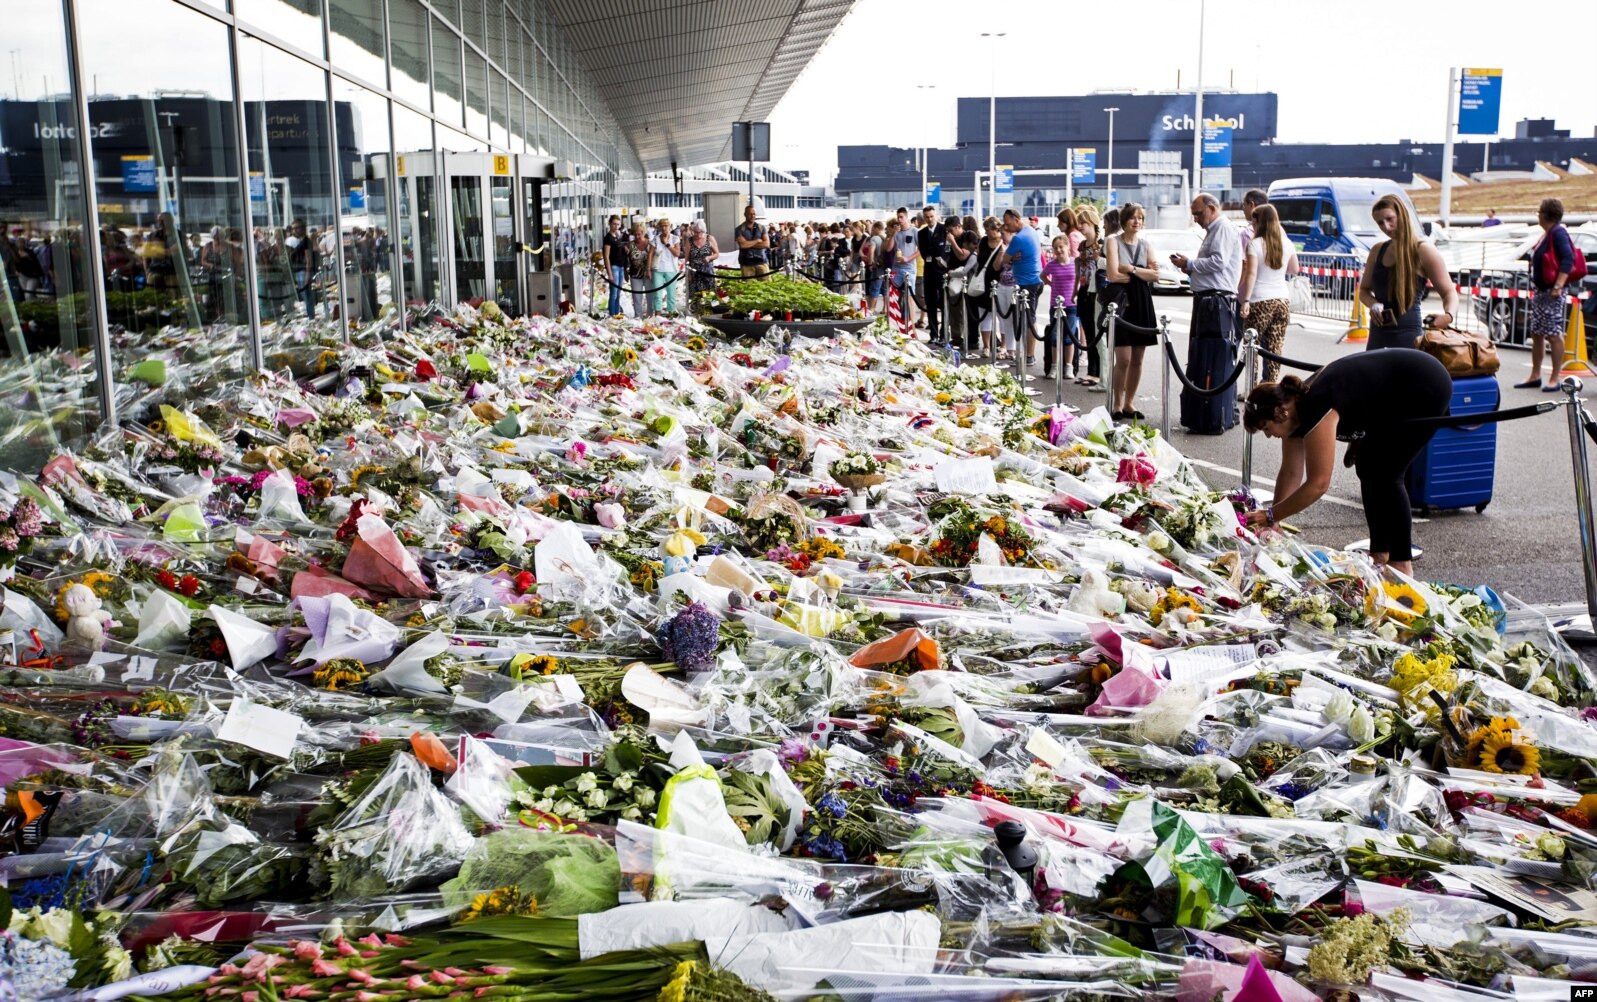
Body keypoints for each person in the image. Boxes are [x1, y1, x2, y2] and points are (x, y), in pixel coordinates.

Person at [1242, 350, 1453, 577]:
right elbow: (1291, 472)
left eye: (1265, 428)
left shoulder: (1316, 407)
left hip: (1422, 384)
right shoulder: (1292, 412)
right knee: (1368, 466)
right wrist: (1274, 521)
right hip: (1393, 391)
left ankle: (1401, 563)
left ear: (1280, 413)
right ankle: (1379, 554)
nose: (1267, 435)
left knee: (1387, 473)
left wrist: (1271, 515)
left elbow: (1318, 483)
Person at [1356, 194, 1458, 351]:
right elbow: (1363, 290)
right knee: (1373, 375)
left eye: (1390, 219)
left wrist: (1448, 316)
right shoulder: (1378, 250)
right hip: (1378, 334)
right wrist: (1373, 304)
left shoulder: (1423, 250)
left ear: (1402, 214)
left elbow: (1449, 291)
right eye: (1380, 223)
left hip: (1408, 336)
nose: (1386, 226)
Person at [1103, 203, 1159, 420]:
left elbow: (1156, 275)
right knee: (1124, 357)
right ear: (1124, 220)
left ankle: (1129, 403)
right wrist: (1141, 275)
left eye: (1141, 218)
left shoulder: (1146, 245)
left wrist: (1132, 269)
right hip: (1122, 302)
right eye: (1133, 217)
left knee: (1138, 357)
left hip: (1142, 302)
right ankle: (1117, 402)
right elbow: (1113, 275)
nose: (1137, 222)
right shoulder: (1113, 241)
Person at [1519, 197, 1579, 391]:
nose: (1538, 215)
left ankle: (1555, 377)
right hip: (1542, 292)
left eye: (1539, 212)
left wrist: (1558, 286)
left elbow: (1568, 258)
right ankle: (1535, 375)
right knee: (1537, 333)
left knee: (1553, 334)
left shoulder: (1558, 233)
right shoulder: (1548, 233)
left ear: (1546, 214)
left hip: (1552, 292)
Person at [1239, 204, 1298, 383]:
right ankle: (1271, 388)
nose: (1252, 225)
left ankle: (1253, 388)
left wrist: (1246, 300)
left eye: (1253, 222)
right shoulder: (1287, 243)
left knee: (1252, 347)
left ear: (1260, 222)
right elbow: (1294, 269)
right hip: (1282, 300)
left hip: (1260, 300)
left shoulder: (1254, 244)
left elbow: (1251, 273)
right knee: (1274, 349)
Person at [1171, 192, 1243, 338]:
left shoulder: (1222, 227)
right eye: (1194, 215)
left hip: (1215, 300)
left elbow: (1219, 261)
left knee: (1210, 350)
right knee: (1203, 350)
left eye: (1198, 214)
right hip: (1209, 298)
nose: (1196, 219)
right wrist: (1191, 269)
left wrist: (1190, 263)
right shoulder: (1214, 229)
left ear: (1211, 209)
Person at [1002, 209, 1043, 366]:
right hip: (1032, 281)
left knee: (1029, 320)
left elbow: (1005, 260)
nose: (1006, 227)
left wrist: (1011, 257)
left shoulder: (1018, 238)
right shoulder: (1031, 231)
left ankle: (1029, 356)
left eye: (1008, 223)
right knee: (1029, 318)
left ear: (1016, 219)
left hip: (1028, 284)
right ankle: (1027, 355)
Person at [1041, 235, 1079, 379]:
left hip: (1071, 305)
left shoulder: (1075, 263)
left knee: (1069, 337)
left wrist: (1078, 292)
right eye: (1055, 248)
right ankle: (1054, 366)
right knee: (1055, 336)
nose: (1058, 250)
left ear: (1068, 247)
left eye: (1061, 247)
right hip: (1056, 305)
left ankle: (1068, 366)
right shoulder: (1052, 264)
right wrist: (1050, 284)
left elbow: (1080, 278)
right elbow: (1043, 275)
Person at [966, 216, 1004, 356]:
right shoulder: (983, 241)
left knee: (1002, 315)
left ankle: (1003, 346)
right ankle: (986, 346)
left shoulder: (1003, 242)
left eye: (988, 230)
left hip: (999, 281)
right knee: (984, 314)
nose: (986, 233)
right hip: (983, 280)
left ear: (995, 229)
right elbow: (979, 258)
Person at [1074, 207, 1103, 387]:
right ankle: (1091, 371)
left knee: (1096, 331)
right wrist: (1075, 290)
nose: (1081, 227)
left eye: (1083, 223)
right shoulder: (1082, 245)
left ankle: (1097, 371)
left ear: (1092, 223)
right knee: (1087, 327)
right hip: (1085, 289)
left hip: (1097, 290)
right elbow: (1080, 269)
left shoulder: (1101, 244)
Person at [918, 206, 952, 343]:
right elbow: (923, 251)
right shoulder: (921, 233)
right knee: (930, 303)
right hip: (929, 271)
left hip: (943, 272)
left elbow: (949, 250)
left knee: (944, 303)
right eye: (927, 217)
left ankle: (944, 333)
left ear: (936, 216)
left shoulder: (944, 230)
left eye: (931, 216)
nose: (929, 219)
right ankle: (933, 333)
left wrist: (944, 262)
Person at [890, 207, 920, 328]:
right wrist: (893, 234)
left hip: (909, 268)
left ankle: (910, 326)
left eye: (901, 217)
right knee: (895, 296)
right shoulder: (896, 232)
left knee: (910, 298)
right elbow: (889, 248)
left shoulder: (914, 231)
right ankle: (896, 323)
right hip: (896, 268)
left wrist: (908, 258)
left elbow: (921, 249)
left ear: (907, 217)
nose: (899, 220)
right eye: (898, 217)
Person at [1237, 188, 1268, 296]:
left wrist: (1236, 289)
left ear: (1252, 205)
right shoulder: (1280, 233)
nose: (1243, 209)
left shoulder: (1247, 234)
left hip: (1250, 293)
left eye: (1244, 205)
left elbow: (1244, 266)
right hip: (1274, 294)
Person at [286, 218, 319, 319]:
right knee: (305, 296)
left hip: (303, 271)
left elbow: (309, 259)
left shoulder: (306, 241)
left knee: (307, 295)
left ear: (303, 228)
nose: (294, 230)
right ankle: (310, 316)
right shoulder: (300, 241)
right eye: (293, 228)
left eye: (297, 228)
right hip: (299, 271)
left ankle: (311, 317)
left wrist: (307, 275)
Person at [649, 218, 681, 315]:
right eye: (662, 225)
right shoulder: (655, 239)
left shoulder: (675, 238)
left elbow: (677, 253)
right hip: (657, 269)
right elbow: (650, 254)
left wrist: (667, 244)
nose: (664, 228)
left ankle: (671, 315)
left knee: (671, 294)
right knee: (657, 294)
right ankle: (657, 316)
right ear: (659, 227)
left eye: (666, 225)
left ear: (670, 227)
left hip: (671, 269)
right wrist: (648, 270)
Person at [602, 215, 628, 316]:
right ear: (610, 224)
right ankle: (612, 315)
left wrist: (625, 249)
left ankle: (616, 314)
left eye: (618, 224)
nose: (616, 226)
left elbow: (620, 248)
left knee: (618, 294)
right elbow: (606, 256)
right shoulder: (608, 238)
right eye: (614, 224)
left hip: (621, 266)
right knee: (613, 294)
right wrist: (610, 274)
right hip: (614, 267)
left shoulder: (618, 236)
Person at [686, 223, 718, 305]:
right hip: (694, 272)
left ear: (704, 231)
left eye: (700, 232)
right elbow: (687, 259)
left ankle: (709, 311)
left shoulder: (710, 238)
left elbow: (717, 254)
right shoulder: (689, 241)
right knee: (695, 296)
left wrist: (709, 258)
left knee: (709, 294)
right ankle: (696, 313)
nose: (697, 234)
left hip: (707, 272)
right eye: (695, 232)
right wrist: (688, 273)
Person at [735, 205, 770, 278]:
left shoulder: (761, 227)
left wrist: (748, 243)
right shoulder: (739, 229)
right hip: (746, 263)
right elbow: (742, 245)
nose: (752, 216)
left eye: (754, 214)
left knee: (766, 285)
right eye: (750, 214)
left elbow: (766, 244)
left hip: (761, 261)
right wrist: (757, 240)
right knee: (748, 286)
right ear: (745, 214)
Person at [626, 222, 652, 317]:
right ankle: (638, 316)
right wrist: (626, 271)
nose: (637, 236)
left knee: (650, 297)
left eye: (639, 234)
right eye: (635, 234)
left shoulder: (650, 243)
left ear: (643, 233)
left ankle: (650, 316)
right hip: (635, 274)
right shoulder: (630, 245)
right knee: (637, 297)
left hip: (649, 274)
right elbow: (627, 259)